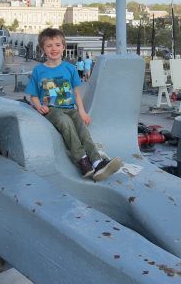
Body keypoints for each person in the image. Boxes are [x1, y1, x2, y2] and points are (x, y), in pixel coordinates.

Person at [25, 28, 122, 181]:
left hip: (70, 108)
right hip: (51, 110)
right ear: (43, 49)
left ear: (63, 47)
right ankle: (82, 160)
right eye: (49, 45)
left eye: (57, 45)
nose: (54, 49)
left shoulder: (70, 69)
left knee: (81, 128)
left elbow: (76, 94)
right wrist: (39, 107)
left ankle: (97, 162)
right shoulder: (39, 70)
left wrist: (82, 112)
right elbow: (33, 95)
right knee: (65, 123)